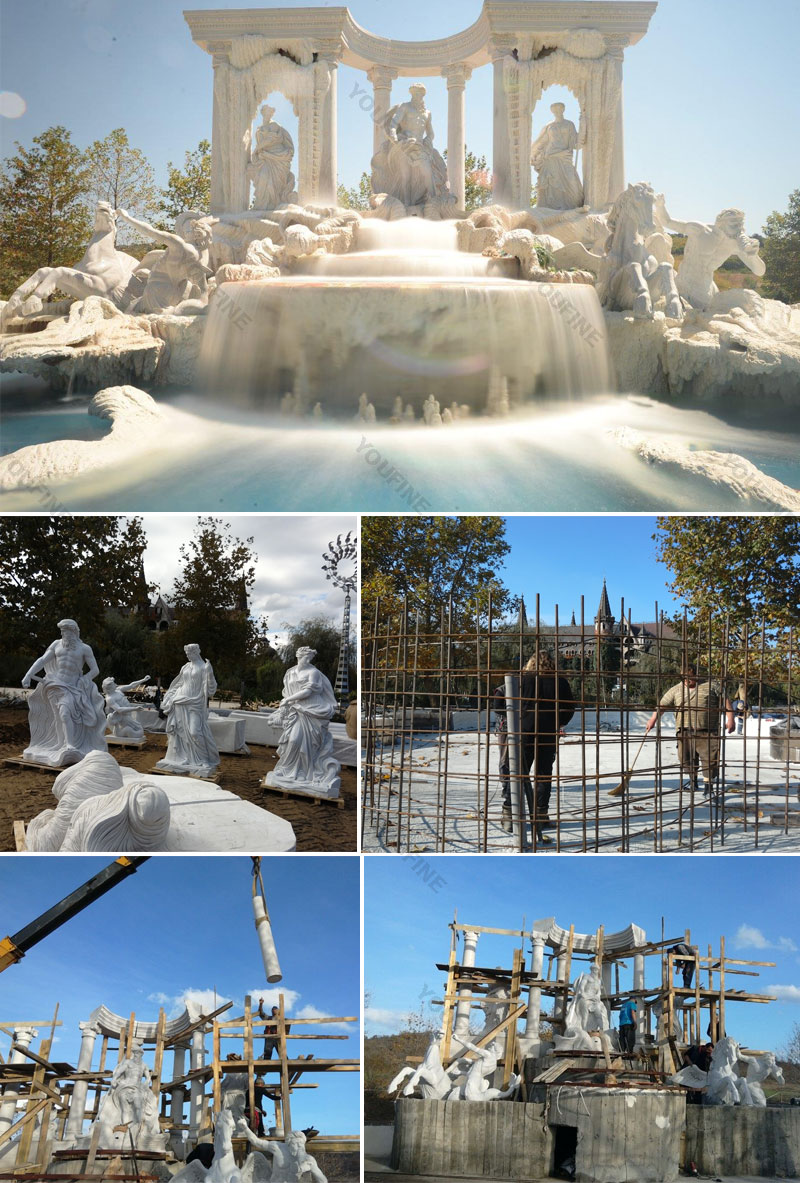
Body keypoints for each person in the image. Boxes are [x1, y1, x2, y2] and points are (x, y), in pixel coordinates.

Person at [21, 619, 107, 766]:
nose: (63, 635)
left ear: (74, 632)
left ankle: (70, 745)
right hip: (55, 686)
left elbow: (95, 670)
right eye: (62, 632)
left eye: (65, 631)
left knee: (65, 714)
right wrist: (28, 675)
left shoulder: (84, 648)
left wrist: (84, 679)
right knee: (58, 717)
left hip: (72, 687)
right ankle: (61, 743)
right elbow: (42, 660)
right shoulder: (56, 644)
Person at [645, 667, 734, 792]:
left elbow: (726, 702)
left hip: (708, 730)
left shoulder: (712, 685)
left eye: (690, 677)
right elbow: (662, 705)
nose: (687, 680)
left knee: (709, 760)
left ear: (696, 675)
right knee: (686, 759)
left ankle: (708, 787)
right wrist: (653, 719)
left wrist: (730, 719)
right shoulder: (676, 689)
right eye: (684, 678)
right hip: (685, 730)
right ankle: (693, 782)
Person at [520, 650, 575, 836]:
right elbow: (570, 707)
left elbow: (507, 701)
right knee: (543, 774)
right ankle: (540, 815)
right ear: (552, 663)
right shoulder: (559, 681)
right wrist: (560, 722)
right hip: (548, 731)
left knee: (520, 773)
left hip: (525, 730)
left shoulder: (524, 680)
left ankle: (513, 815)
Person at [531, 102, 585, 210]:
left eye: (559, 109)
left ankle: (573, 206)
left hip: (565, 156)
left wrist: (583, 125)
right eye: (554, 109)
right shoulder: (549, 126)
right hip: (550, 156)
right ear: (552, 112)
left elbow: (576, 142)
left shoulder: (569, 124)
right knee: (550, 184)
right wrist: (533, 153)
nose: (557, 111)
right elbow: (542, 142)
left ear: (563, 110)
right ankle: (550, 209)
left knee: (571, 181)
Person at [493, 683, 512, 832]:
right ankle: (505, 785)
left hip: (520, 727)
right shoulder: (502, 690)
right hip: (505, 728)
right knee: (505, 759)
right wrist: (512, 714)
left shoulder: (523, 687)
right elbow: (497, 707)